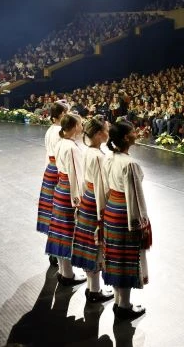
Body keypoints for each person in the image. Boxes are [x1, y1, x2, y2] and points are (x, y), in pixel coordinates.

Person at [102, 119, 148, 319]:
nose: (136, 133)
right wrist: (141, 222)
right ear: (125, 138)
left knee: (114, 256)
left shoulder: (110, 158)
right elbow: (136, 198)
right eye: (133, 131)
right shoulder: (130, 164)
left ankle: (120, 301)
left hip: (111, 208)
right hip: (124, 213)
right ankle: (124, 306)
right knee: (126, 258)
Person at [71, 116, 114, 303]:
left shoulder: (89, 151)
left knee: (88, 244)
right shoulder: (97, 156)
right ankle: (95, 290)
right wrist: (102, 214)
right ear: (98, 134)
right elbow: (101, 186)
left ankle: (92, 287)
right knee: (95, 245)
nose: (108, 132)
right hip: (95, 203)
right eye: (106, 129)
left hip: (87, 198)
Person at [45, 113, 87, 286]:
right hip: (69, 191)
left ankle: (64, 271)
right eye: (81, 124)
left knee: (60, 232)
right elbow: (76, 177)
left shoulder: (62, 143)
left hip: (61, 189)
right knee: (68, 232)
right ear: (75, 126)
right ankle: (68, 274)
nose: (83, 127)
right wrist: (78, 201)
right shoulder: (71, 147)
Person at [36, 100, 69, 270]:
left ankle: (53, 252)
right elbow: (60, 155)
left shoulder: (51, 130)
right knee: (57, 213)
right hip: (57, 170)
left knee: (52, 212)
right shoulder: (58, 132)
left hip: (51, 169)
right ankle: (55, 252)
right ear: (61, 115)